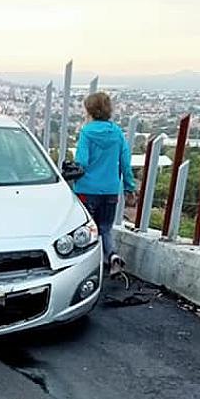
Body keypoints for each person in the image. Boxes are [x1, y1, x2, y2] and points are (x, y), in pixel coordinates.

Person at [72, 92, 136, 272]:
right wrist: (129, 188)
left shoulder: (86, 132)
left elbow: (82, 162)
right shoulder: (117, 133)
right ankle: (113, 256)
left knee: (86, 230)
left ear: (89, 110)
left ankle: (88, 269)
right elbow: (125, 163)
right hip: (110, 190)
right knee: (106, 228)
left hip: (86, 190)